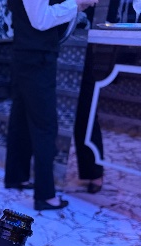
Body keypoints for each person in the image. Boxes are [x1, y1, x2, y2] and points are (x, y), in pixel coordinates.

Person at [5, 0, 99, 211]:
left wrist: (76, 6)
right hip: (36, 56)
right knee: (45, 125)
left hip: (27, 53)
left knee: (21, 118)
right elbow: (41, 19)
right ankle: (45, 195)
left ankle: (16, 176)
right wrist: (76, 4)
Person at [74, 5, 104, 194]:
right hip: (48, 41)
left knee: (85, 108)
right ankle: (46, 169)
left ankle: (93, 171)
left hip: (80, 41)